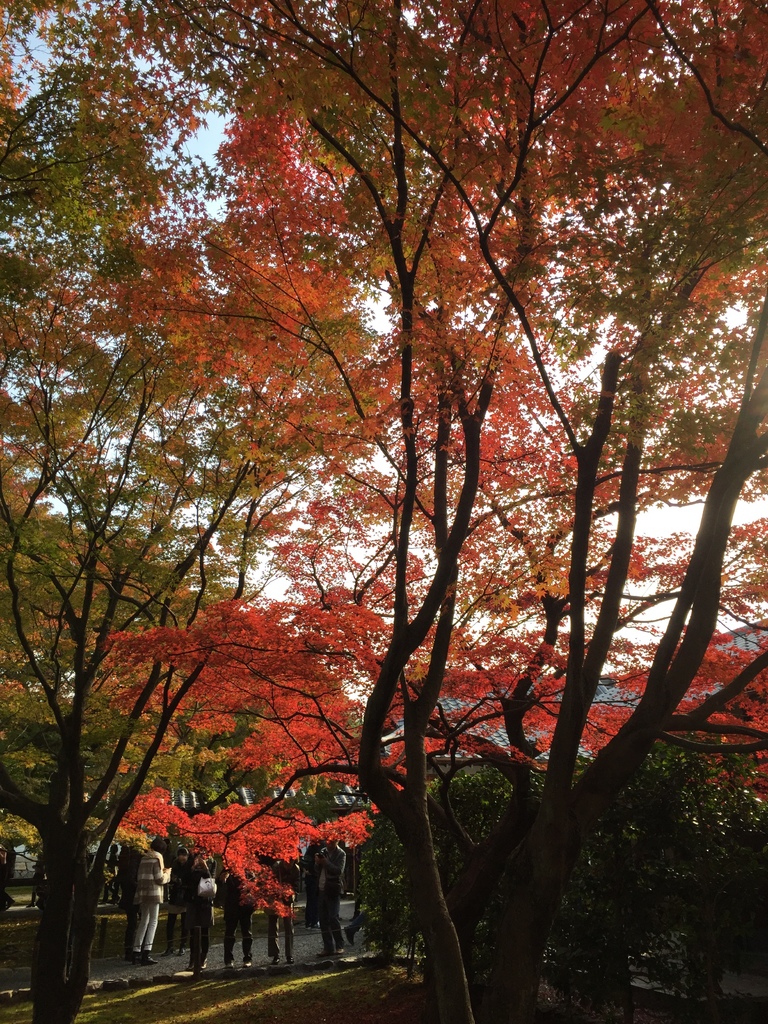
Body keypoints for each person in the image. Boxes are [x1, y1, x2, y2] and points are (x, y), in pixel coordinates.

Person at [132, 837, 170, 965]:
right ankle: (146, 952)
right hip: (153, 892)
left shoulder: (144, 858)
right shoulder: (157, 857)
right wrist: (167, 874)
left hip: (142, 891)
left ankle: (136, 952)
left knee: (143, 921)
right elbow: (159, 878)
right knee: (153, 921)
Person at [218, 864, 256, 968]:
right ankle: (228, 960)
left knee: (247, 933)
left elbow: (254, 884)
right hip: (231, 905)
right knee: (230, 933)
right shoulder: (227, 869)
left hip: (245, 906)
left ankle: (247, 958)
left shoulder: (247, 869)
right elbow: (220, 885)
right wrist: (222, 879)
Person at [183, 850, 214, 970]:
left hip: (205, 901)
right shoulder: (190, 863)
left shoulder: (211, 862)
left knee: (205, 931)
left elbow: (211, 881)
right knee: (193, 931)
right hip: (192, 900)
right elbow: (184, 879)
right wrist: (192, 868)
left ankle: (203, 958)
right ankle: (193, 959)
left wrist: (205, 868)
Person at [266, 857, 300, 964]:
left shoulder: (296, 869)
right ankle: (275, 954)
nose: (288, 864)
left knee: (288, 925)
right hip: (274, 898)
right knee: (273, 926)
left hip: (287, 899)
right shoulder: (276, 867)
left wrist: (291, 892)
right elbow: (270, 883)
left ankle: (289, 954)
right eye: (286, 862)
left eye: (290, 862)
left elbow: (296, 885)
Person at [316, 837, 346, 955]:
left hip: (333, 888)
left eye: (332, 842)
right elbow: (316, 870)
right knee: (323, 919)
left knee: (333, 917)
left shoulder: (341, 853)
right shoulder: (323, 851)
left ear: (337, 842)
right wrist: (317, 862)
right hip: (321, 887)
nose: (329, 844)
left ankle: (339, 945)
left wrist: (325, 862)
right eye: (328, 841)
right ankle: (328, 947)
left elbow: (338, 870)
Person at [162, 846, 189, 956]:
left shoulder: (189, 866)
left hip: (185, 896)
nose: (182, 858)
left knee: (184, 923)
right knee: (170, 923)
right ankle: (170, 946)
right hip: (175, 895)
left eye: (184, 855)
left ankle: (183, 945)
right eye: (180, 855)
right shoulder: (174, 864)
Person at [117, 845, 143, 962]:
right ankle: (137, 951)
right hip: (135, 894)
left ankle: (129, 951)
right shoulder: (136, 859)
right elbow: (132, 878)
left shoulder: (124, 858)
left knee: (131, 924)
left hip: (127, 895)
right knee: (140, 923)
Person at [301, 842, 321, 929]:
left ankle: (308, 921)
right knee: (316, 900)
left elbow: (303, 861)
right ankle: (314, 921)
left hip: (309, 878)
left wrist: (305, 870)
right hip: (315, 878)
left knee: (310, 900)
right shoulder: (320, 847)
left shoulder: (309, 849)